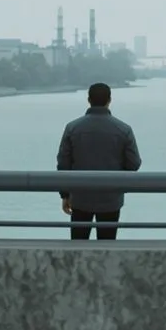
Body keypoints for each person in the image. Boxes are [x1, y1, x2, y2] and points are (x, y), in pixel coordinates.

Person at [57, 82, 142, 240]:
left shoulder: (72, 128)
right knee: (107, 246)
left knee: (78, 246)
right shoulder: (124, 129)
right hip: (111, 198)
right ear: (109, 100)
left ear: (88, 100)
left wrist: (65, 195)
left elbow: (63, 164)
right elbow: (134, 164)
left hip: (80, 196)